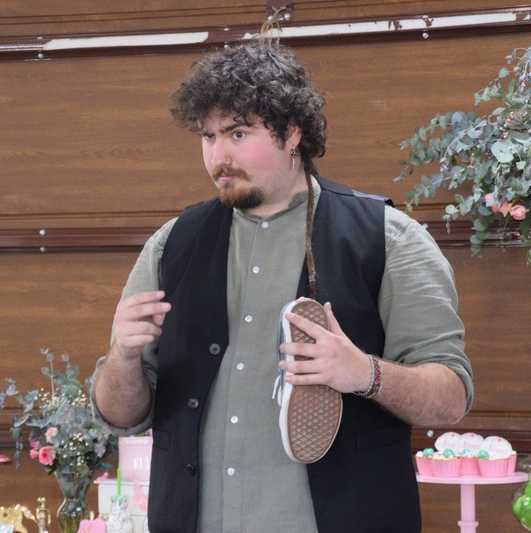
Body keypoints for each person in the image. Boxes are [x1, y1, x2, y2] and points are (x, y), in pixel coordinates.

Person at [92, 40, 473, 532]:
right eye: (208, 137)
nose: (218, 156)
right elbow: (121, 415)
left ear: (291, 132)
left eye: (238, 133)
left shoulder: (389, 238)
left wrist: (364, 373)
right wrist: (123, 355)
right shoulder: (172, 245)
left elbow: (451, 397)